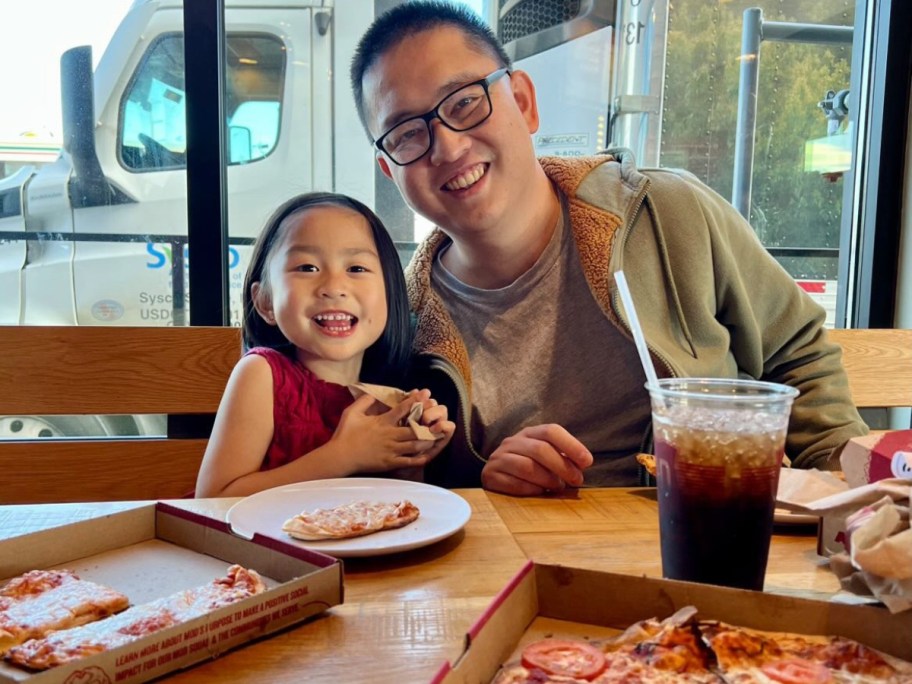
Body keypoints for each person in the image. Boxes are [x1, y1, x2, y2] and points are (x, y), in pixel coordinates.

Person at [349, 2, 867, 496]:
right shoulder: (400, 324)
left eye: (464, 102)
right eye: (405, 133)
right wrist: (486, 481)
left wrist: (844, 500)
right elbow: (416, 488)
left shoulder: (668, 212)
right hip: (531, 566)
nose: (448, 146)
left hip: (708, 534)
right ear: (389, 168)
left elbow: (797, 354)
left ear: (524, 102)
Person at [195, 192, 455, 498]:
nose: (334, 287)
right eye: (307, 267)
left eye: (356, 269)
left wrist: (411, 456)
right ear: (265, 301)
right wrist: (343, 456)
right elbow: (213, 499)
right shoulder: (261, 374)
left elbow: (390, 510)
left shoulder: (388, 397)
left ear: (391, 293)